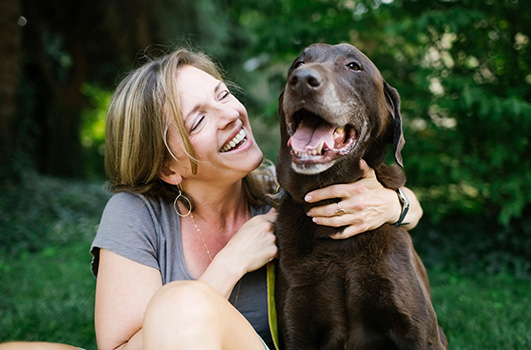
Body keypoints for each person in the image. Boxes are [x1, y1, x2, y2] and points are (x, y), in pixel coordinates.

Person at [0, 47, 422, 350]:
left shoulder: (286, 196)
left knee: (181, 303)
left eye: (222, 95)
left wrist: (397, 203)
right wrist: (231, 262)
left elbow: (390, 206)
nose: (229, 115)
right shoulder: (137, 215)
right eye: (199, 119)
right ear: (169, 167)